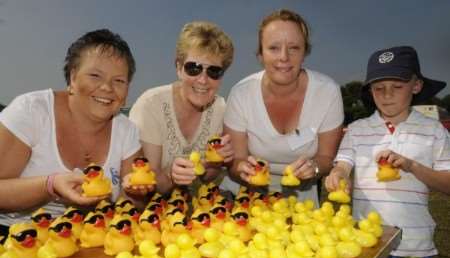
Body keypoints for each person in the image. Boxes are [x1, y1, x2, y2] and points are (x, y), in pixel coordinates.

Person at [325, 46, 450, 258]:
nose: (387, 95)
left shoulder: (434, 130)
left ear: (416, 85)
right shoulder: (358, 129)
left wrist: (412, 166)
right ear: (370, 91)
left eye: (397, 86)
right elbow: (343, 164)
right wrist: (337, 175)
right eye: (379, 88)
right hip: (363, 247)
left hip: (413, 247)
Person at [0, 29, 142, 232]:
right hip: (16, 237)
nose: (107, 88)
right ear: (73, 78)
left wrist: (138, 192)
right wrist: (50, 185)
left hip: (90, 237)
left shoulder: (127, 131)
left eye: (119, 81)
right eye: (95, 76)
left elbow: (133, 204)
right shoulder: (31, 111)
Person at [223, 9, 344, 206]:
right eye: (273, 48)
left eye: (294, 48)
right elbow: (234, 163)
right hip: (244, 196)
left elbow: (326, 158)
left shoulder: (328, 92)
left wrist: (314, 167)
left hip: (302, 200)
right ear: (261, 54)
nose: (284, 57)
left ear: (305, 52)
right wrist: (242, 167)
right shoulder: (241, 93)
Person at [129, 21, 234, 194]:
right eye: (193, 68)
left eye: (214, 71)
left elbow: (208, 176)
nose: (203, 80)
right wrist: (171, 175)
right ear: (179, 67)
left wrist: (215, 162)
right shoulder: (150, 106)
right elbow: (145, 186)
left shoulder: (221, 109)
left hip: (203, 208)